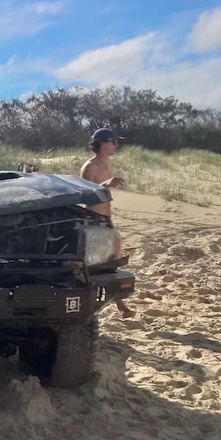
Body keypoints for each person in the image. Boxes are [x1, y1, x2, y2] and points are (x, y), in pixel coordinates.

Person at [80, 127, 134, 318]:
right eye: (113, 142)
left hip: (106, 219)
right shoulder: (90, 166)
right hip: (94, 221)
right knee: (101, 264)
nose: (116, 146)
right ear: (103, 144)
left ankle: (120, 304)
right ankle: (120, 305)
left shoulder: (106, 164)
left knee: (111, 260)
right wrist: (106, 185)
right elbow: (86, 193)